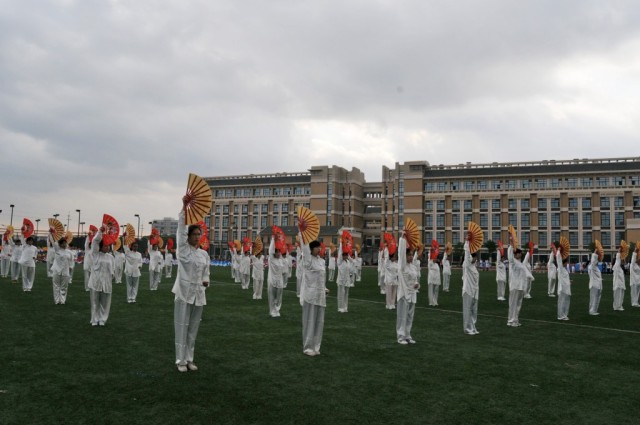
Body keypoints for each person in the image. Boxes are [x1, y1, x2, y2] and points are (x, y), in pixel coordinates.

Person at [172, 198, 210, 372]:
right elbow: (180, 231)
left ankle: (189, 359)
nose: (197, 237)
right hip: (183, 293)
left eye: (199, 234)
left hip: (198, 295)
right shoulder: (183, 250)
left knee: (193, 328)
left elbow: (205, 272)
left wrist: (205, 280)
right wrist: (183, 208)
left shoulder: (203, 254)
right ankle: (180, 360)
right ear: (188, 236)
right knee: (181, 326)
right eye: (194, 234)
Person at [298, 233, 327, 356]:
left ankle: (316, 346)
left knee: (319, 322)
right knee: (309, 321)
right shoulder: (308, 260)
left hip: (320, 295)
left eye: (320, 247)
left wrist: (324, 288)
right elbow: (304, 247)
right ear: (311, 249)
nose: (319, 249)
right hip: (310, 295)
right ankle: (308, 347)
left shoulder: (321, 261)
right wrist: (302, 232)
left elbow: (321, 278)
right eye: (316, 247)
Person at [88, 228, 115, 326]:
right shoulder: (95, 254)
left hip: (106, 283)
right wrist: (100, 231)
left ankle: (102, 319)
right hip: (96, 281)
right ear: (100, 246)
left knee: (105, 302)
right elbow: (95, 241)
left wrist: (112, 278)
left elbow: (113, 270)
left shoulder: (111, 257)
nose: (107, 247)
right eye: (105, 245)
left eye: (108, 246)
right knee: (95, 302)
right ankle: (94, 320)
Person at [396, 233, 420, 344]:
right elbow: (400, 254)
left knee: (410, 316)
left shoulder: (413, 267)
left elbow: (416, 279)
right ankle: (401, 337)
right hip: (404, 294)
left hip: (413, 294)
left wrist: (417, 284)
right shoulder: (402, 266)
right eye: (409, 255)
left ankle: (407, 335)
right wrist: (402, 238)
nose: (410, 257)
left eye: (411, 255)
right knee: (402, 316)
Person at [507, 235, 533, 327]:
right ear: (515, 254)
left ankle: (515, 320)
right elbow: (510, 256)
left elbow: (525, 271)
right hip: (515, 286)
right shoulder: (513, 262)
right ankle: (511, 321)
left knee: (518, 305)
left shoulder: (520, 263)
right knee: (513, 304)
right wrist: (511, 244)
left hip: (521, 286)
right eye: (519, 253)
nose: (520, 254)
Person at [49, 232, 74, 304]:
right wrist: (51, 233)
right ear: (60, 244)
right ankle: (57, 301)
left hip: (66, 271)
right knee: (56, 286)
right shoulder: (57, 249)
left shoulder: (69, 252)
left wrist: (70, 268)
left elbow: (71, 262)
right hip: (56, 270)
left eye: (65, 243)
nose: (64, 244)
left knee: (64, 287)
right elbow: (53, 241)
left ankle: (62, 301)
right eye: (62, 243)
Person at [462, 236, 480, 335]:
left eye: (475, 257)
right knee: (467, 310)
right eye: (473, 257)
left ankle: (473, 327)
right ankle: (467, 328)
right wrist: (467, 242)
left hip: (475, 291)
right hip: (468, 290)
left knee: (474, 310)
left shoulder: (474, 267)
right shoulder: (468, 265)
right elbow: (466, 254)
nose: (474, 259)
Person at [267, 236, 286, 317]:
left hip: (280, 281)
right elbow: (270, 251)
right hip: (272, 280)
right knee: (272, 297)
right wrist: (273, 240)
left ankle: (277, 310)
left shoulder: (281, 260)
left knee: (279, 297)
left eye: (279, 252)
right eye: (277, 252)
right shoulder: (271, 259)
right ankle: (272, 311)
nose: (278, 253)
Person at [336, 244, 354, 313]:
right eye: (344, 255)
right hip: (341, 280)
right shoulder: (340, 262)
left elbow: (352, 266)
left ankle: (345, 307)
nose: (345, 256)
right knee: (341, 294)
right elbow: (340, 253)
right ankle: (340, 307)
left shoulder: (348, 262)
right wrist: (341, 244)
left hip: (347, 280)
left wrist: (350, 258)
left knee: (346, 294)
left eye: (346, 255)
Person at [555, 248, 571, 320]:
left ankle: (564, 315)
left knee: (566, 302)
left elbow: (565, 278)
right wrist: (558, 251)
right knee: (562, 302)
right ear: (563, 263)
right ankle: (561, 315)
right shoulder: (561, 268)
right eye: (566, 262)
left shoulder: (564, 269)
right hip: (562, 288)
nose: (567, 263)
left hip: (566, 288)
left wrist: (569, 281)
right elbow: (558, 260)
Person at [588, 250, 602, 315]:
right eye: (596, 260)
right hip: (594, 284)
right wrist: (594, 253)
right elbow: (593, 262)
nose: (597, 261)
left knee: (597, 298)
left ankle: (594, 310)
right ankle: (592, 311)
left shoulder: (596, 268)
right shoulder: (592, 267)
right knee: (593, 298)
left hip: (598, 285)